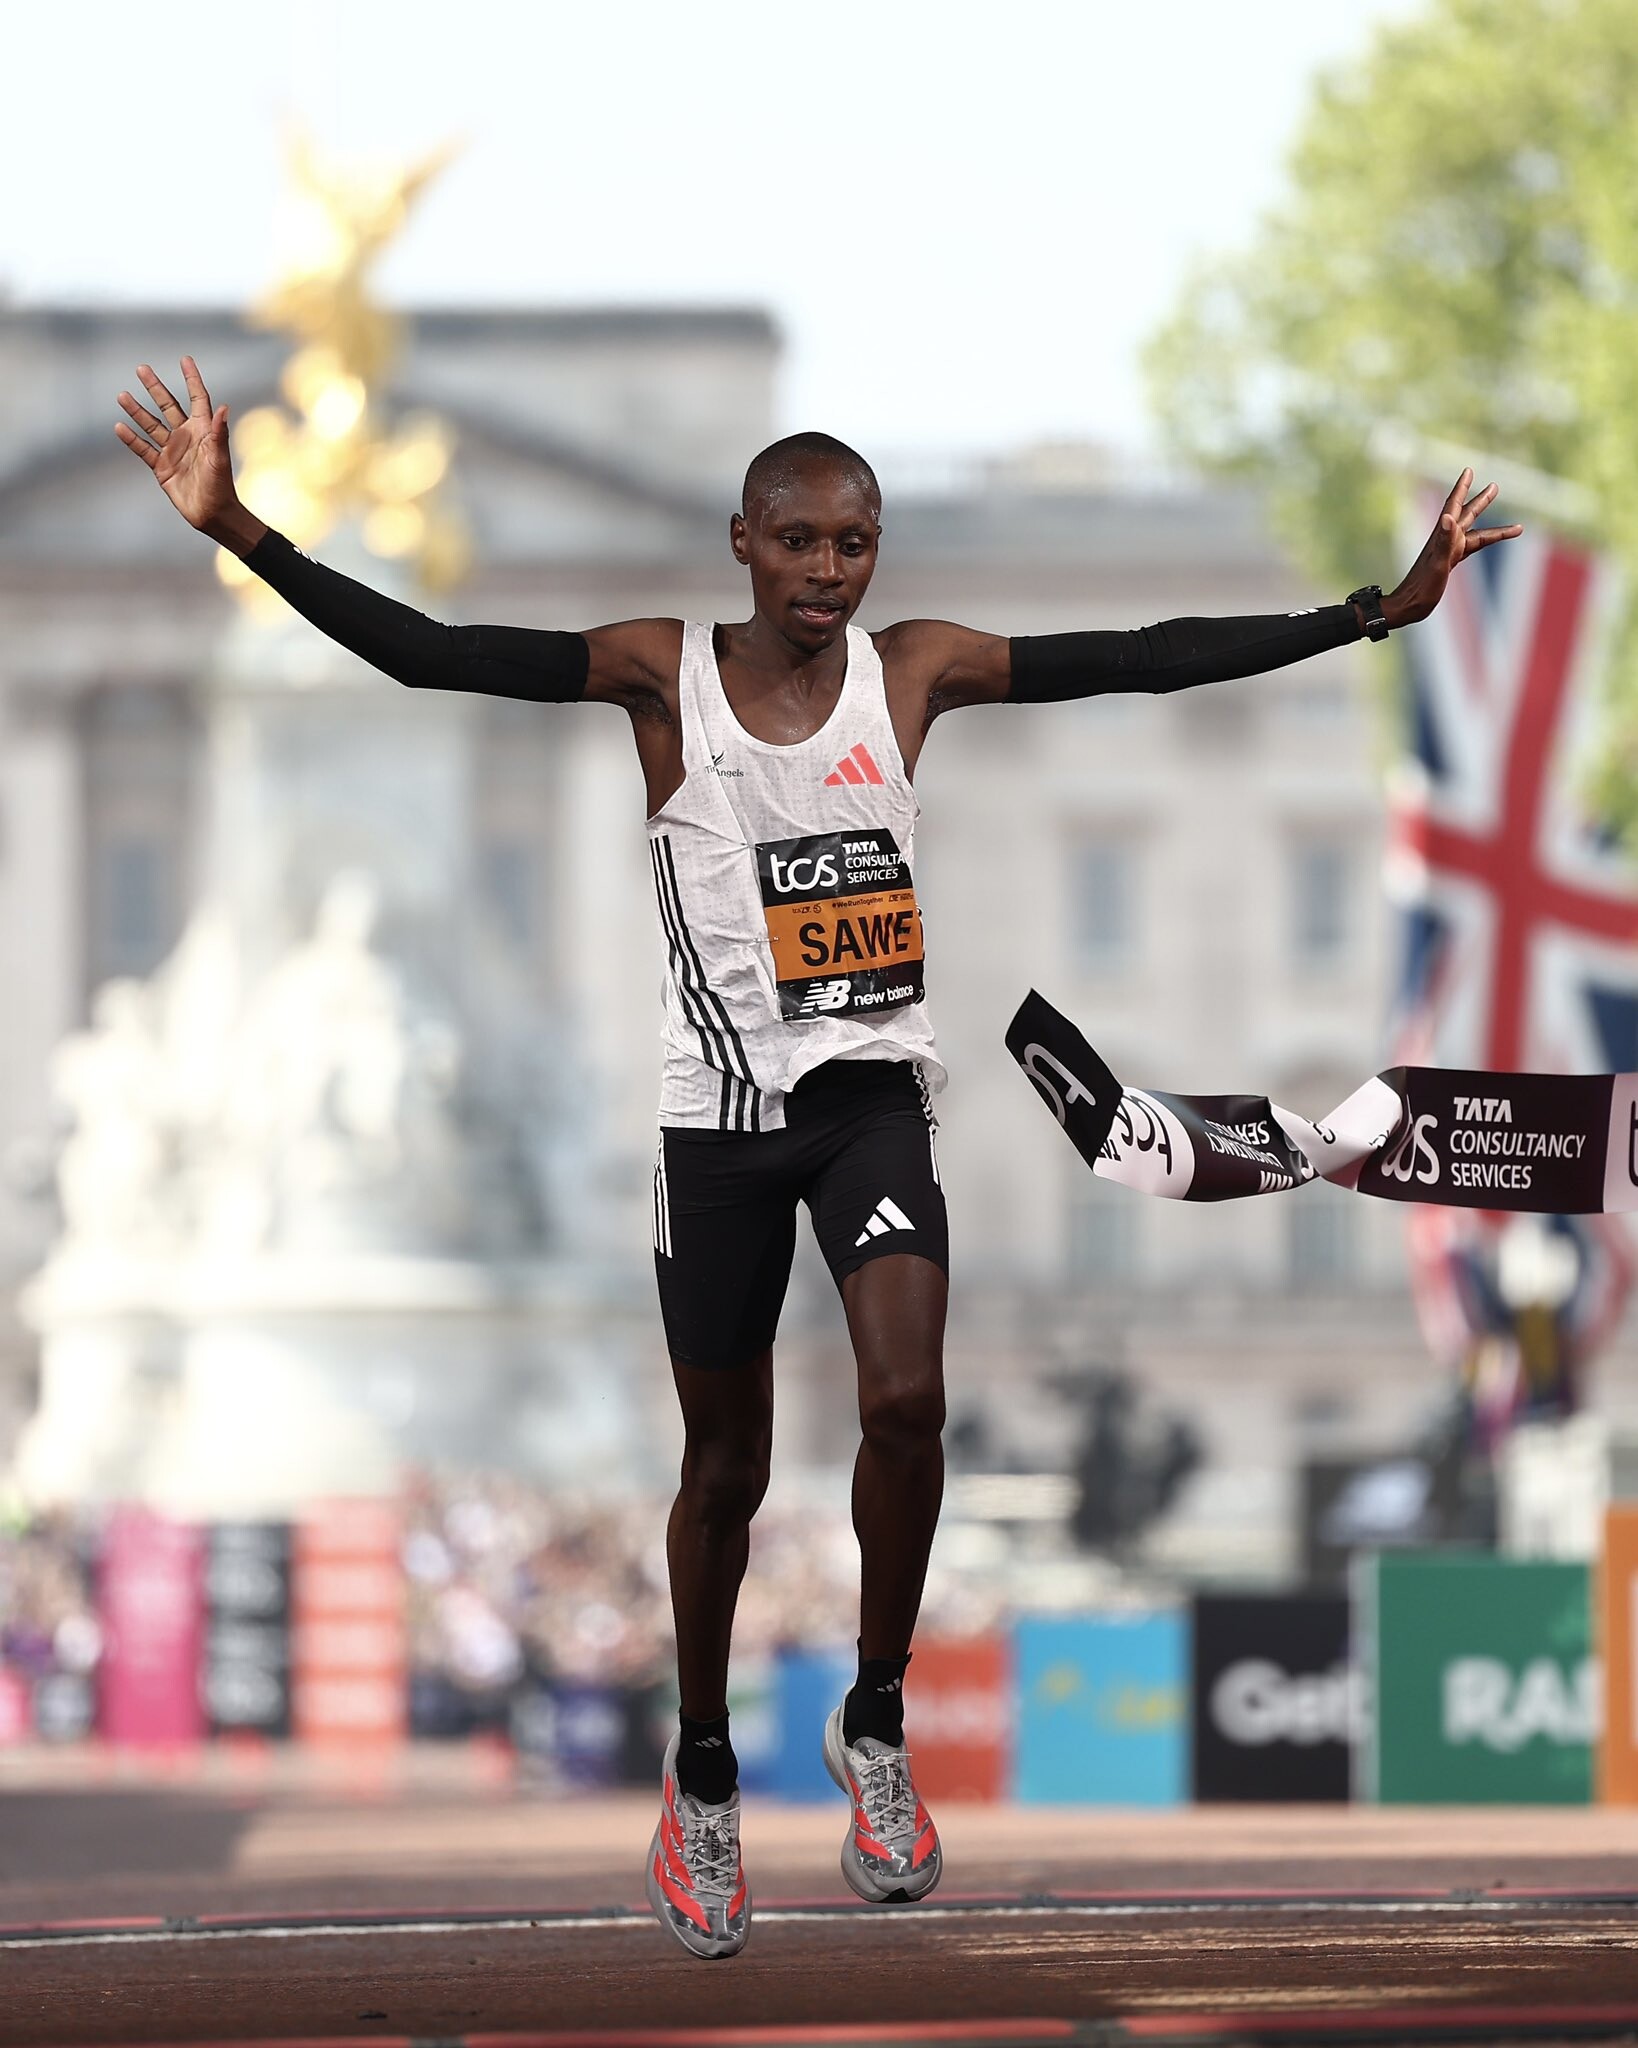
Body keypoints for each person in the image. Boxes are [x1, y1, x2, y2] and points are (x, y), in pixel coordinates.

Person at [116, 357, 1519, 1959]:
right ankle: (702, 1772)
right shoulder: (656, 674)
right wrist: (241, 530)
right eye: (797, 542)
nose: (826, 571)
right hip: (718, 1128)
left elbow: (1136, 657)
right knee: (724, 1471)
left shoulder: (913, 670)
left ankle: (876, 1718)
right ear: (742, 541)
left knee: (906, 1401)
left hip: (867, 1104)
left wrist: (1367, 614)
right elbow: (435, 655)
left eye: (853, 544)